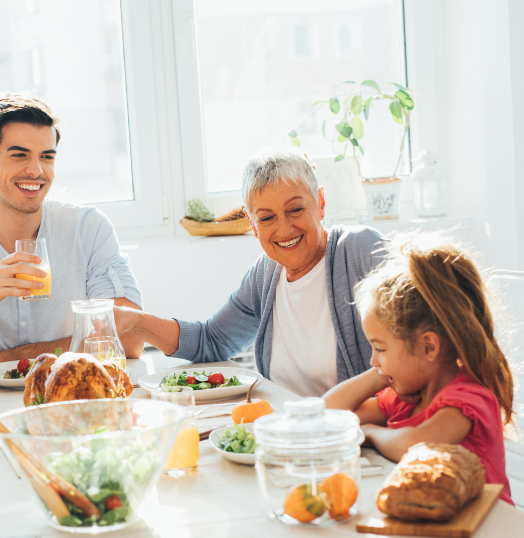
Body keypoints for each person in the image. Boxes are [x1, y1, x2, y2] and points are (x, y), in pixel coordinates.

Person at [114, 150, 385, 397]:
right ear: (253, 224)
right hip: (278, 428)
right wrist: (133, 321)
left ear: (321, 202)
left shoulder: (361, 250)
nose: (284, 229)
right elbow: (212, 340)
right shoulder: (266, 274)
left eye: (295, 209)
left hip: (350, 431)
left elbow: (412, 351)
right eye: (266, 218)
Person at [0, 94, 143, 362]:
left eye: (46, 157)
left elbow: (131, 339)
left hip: (70, 394)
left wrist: (12, 358)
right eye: (19, 155)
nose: (36, 170)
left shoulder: (88, 230)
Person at [323, 233, 515, 504]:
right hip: (435, 520)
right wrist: (380, 374)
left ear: (428, 347)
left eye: (380, 349)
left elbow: (419, 446)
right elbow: (328, 414)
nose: (372, 360)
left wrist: (372, 432)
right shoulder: (406, 397)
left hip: (490, 530)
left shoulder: (468, 398)